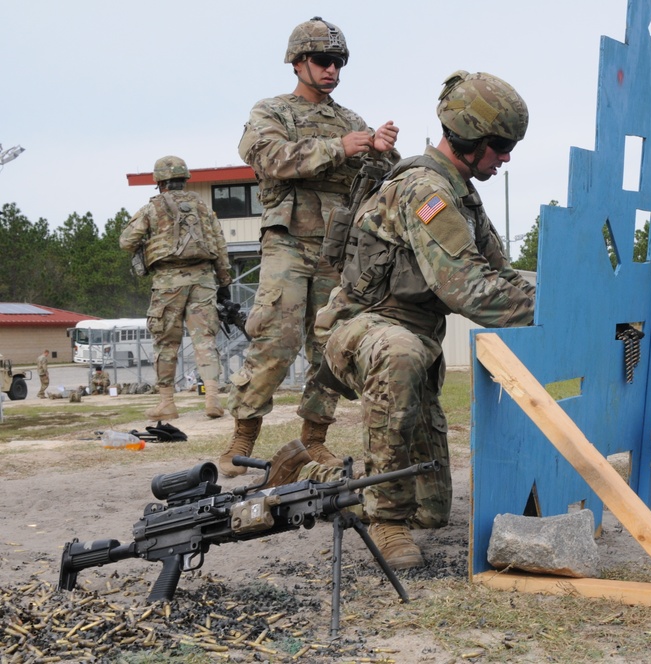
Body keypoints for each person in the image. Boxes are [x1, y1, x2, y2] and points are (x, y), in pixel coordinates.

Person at [264, 70, 535, 569]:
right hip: (364, 331)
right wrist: (555, 309)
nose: (506, 157)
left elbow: (501, 274)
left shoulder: (463, 198)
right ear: (471, 137)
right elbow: (470, 290)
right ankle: (384, 520)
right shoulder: (424, 192)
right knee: (401, 352)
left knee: (431, 513)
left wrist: (565, 294)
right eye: (500, 145)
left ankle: (306, 475)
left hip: (412, 340)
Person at [219, 16, 400, 477]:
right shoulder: (272, 112)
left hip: (337, 250)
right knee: (275, 340)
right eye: (323, 61)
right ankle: (242, 437)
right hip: (288, 243)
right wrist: (339, 146)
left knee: (332, 347)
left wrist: (380, 151)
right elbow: (269, 157)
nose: (332, 70)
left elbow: (380, 182)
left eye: (338, 62)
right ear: (298, 62)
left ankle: (313, 439)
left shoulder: (351, 120)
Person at [120, 155, 233, 420]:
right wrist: (224, 282)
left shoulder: (153, 208)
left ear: (159, 182)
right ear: (184, 179)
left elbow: (127, 241)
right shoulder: (203, 207)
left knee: (166, 343)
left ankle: (167, 404)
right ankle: (213, 399)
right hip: (204, 280)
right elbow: (220, 244)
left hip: (168, 282)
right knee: (204, 340)